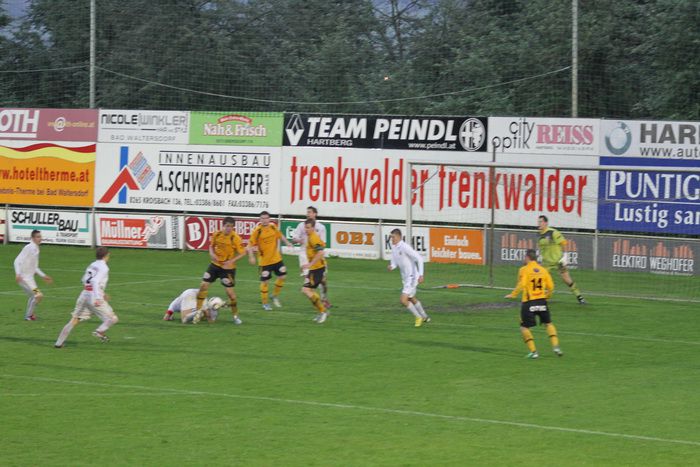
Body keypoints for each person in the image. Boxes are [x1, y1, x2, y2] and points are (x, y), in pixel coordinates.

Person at [54, 247, 118, 348]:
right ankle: (99, 331)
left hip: (84, 294)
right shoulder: (104, 267)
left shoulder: (92, 264)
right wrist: (98, 297)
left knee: (74, 320)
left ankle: (58, 343)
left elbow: (84, 280)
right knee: (113, 318)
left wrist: (102, 292)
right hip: (94, 297)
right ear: (106, 255)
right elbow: (95, 281)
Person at [505, 249, 563, 359]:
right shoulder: (543, 270)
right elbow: (551, 286)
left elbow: (522, 284)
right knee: (548, 324)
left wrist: (513, 294)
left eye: (524, 257)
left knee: (524, 327)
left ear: (527, 257)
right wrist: (547, 296)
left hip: (529, 302)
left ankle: (533, 352)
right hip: (542, 301)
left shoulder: (524, 269)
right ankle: (556, 346)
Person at [193, 217, 247, 325]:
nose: (229, 228)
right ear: (223, 226)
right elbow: (211, 246)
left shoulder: (235, 238)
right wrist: (212, 254)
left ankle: (235, 316)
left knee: (231, 294)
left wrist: (232, 261)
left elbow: (243, 252)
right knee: (203, 286)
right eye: (227, 226)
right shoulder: (216, 234)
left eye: (231, 226)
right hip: (215, 265)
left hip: (228, 269)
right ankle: (198, 311)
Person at [247, 211, 293, 311]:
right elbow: (249, 245)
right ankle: (265, 303)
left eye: (266, 218)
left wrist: (287, 242)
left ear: (269, 219)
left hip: (276, 258)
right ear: (260, 220)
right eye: (262, 218)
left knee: (283, 276)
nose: (264, 220)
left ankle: (274, 295)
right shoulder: (257, 231)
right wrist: (251, 256)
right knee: (265, 282)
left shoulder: (273, 226)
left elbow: (280, 235)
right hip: (264, 261)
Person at [537, 215, 586, 304]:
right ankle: (539, 298)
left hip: (558, 262)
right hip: (546, 263)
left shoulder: (553, 232)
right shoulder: (539, 234)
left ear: (546, 223)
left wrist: (564, 257)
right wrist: (540, 257)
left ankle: (579, 297)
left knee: (566, 279)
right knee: (540, 279)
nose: (539, 223)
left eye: (541, 222)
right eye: (538, 222)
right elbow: (541, 248)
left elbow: (564, 243)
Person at [387, 228, 430, 327]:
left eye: (393, 237)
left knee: (403, 300)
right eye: (391, 237)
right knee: (411, 298)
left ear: (399, 237)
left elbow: (419, 258)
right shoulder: (394, 247)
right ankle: (425, 317)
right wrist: (391, 266)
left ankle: (418, 317)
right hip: (405, 278)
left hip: (412, 277)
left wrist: (421, 274)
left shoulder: (405, 247)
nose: (391, 239)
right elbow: (394, 262)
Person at [292, 206, 330, 308]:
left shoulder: (321, 227)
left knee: (323, 281)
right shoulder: (301, 225)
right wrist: (298, 240)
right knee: (308, 283)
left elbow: (322, 245)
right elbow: (293, 239)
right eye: (307, 212)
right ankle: (320, 307)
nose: (308, 214)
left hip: (317, 257)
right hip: (304, 256)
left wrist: (317, 252)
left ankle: (324, 298)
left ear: (315, 214)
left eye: (310, 212)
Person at [13, 230, 53, 321]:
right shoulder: (28, 247)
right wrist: (18, 273)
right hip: (24, 279)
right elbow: (17, 261)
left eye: (40, 236)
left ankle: (29, 315)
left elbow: (35, 267)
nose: (40, 238)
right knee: (38, 295)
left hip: (30, 279)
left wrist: (43, 276)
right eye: (38, 237)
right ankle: (29, 316)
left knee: (35, 296)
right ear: (33, 238)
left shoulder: (36, 249)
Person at [301, 219, 329, 323]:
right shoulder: (310, 236)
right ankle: (321, 311)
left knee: (306, 290)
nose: (306, 229)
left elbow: (321, 252)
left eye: (308, 227)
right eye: (305, 227)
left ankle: (323, 311)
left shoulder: (313, 238)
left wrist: (310, 264)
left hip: (317, 269)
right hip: (314, 269)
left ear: (313, 228)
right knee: (309, 291)